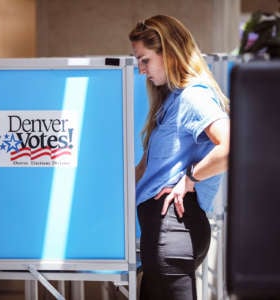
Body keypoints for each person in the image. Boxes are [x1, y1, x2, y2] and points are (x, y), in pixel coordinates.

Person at [129, 15, 230, 299]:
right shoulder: (171, 102)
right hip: (163, 230)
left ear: (169, 52)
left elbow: (230, 145)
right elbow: (146, 170)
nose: (140, 70)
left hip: (171, 228)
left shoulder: (192, 97)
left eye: (145, 60)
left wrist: (190, 178)